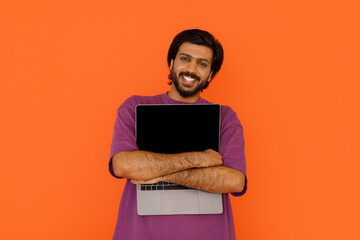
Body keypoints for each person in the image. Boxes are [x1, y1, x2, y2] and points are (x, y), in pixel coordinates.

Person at [109, 29, 247, 240]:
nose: (191, 69)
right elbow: (123, 165)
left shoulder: (225, 117)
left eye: (202, 64)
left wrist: (156, 172)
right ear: (172, 63)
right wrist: (200, 159)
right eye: (185, 59)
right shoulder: (134, 107)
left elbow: (234, 181)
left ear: (210, 74)